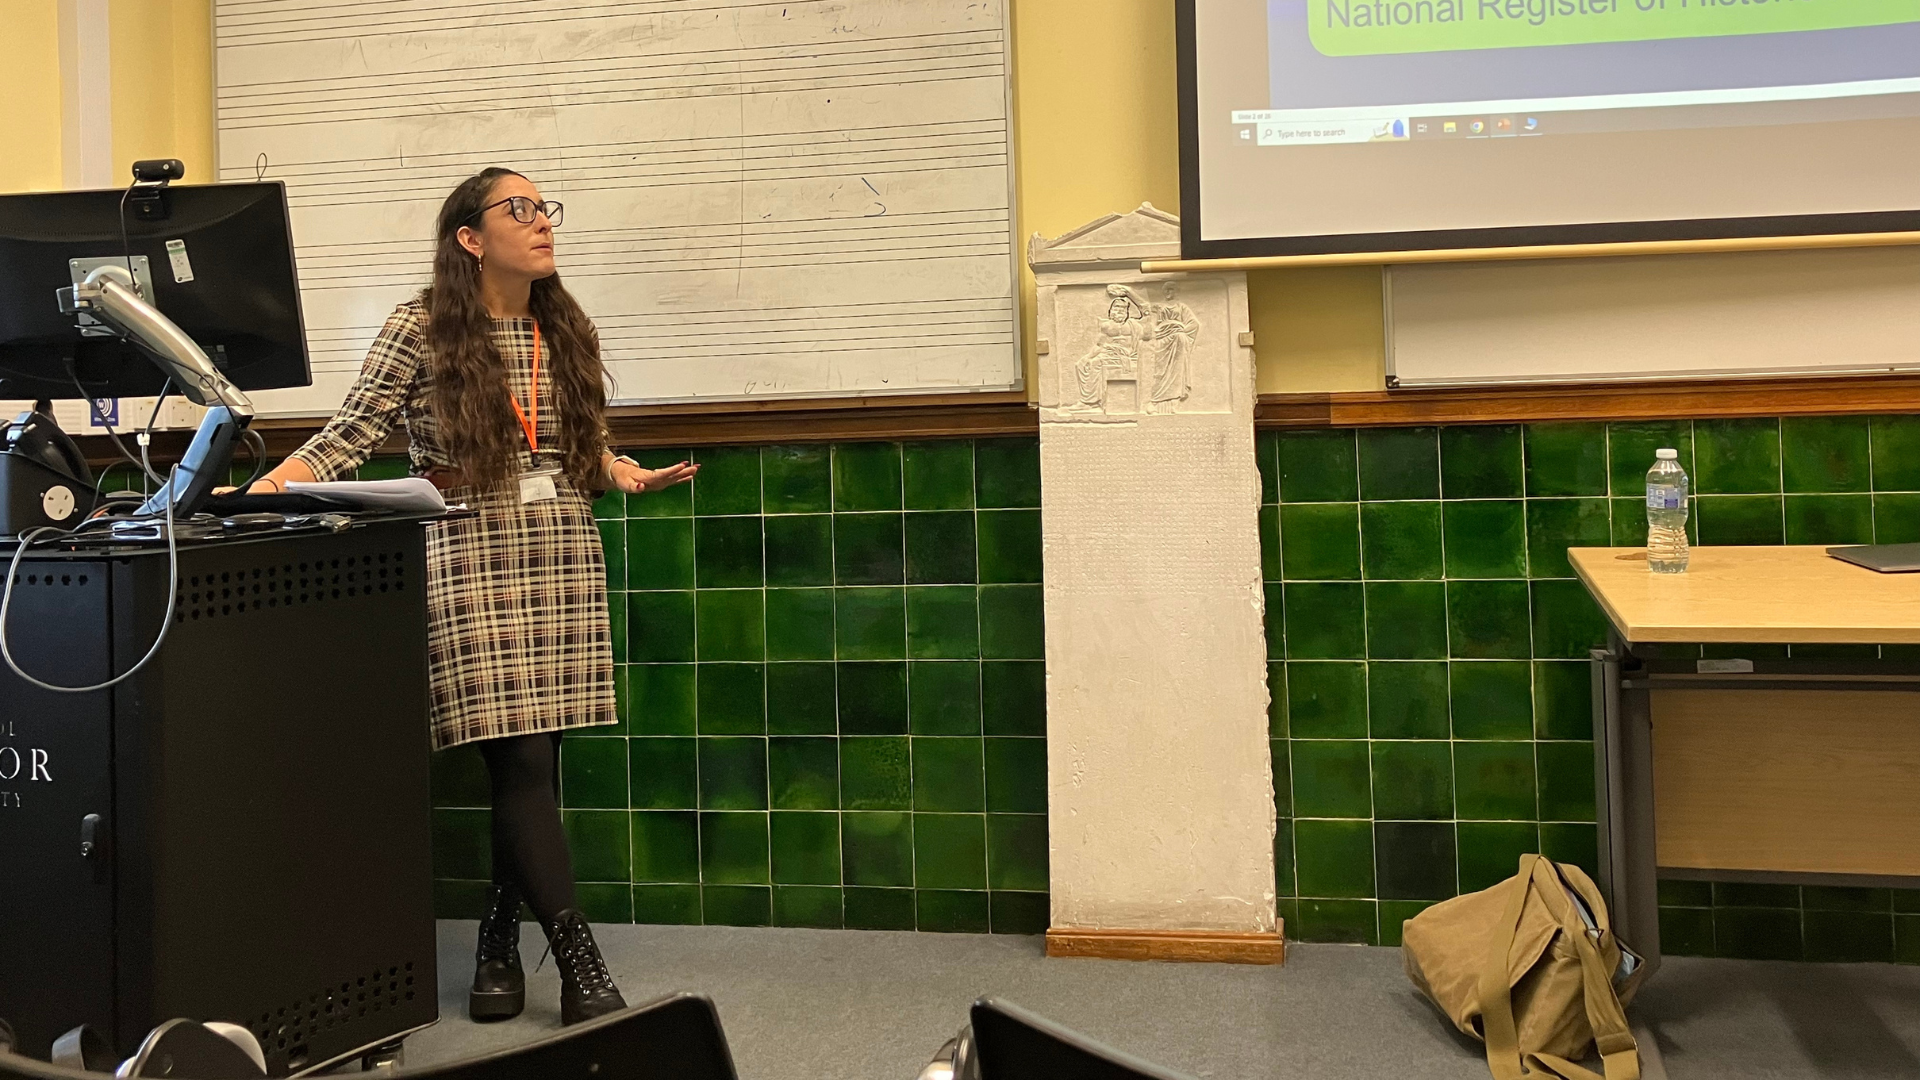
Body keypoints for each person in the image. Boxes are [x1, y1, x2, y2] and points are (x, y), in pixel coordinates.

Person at [243, 168, 697, 1026]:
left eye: (545, 207)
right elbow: (353, 432)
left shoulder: (565, 325)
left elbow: (583, 440)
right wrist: (261, 491)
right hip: (467, 545)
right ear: (469, 237)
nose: (541, 222)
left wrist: (622, 470)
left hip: (559, 545)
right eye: (517, 209)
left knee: (537, 762)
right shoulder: (420, 328)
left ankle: (496, 938)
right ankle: (579, 963)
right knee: (516, 758)